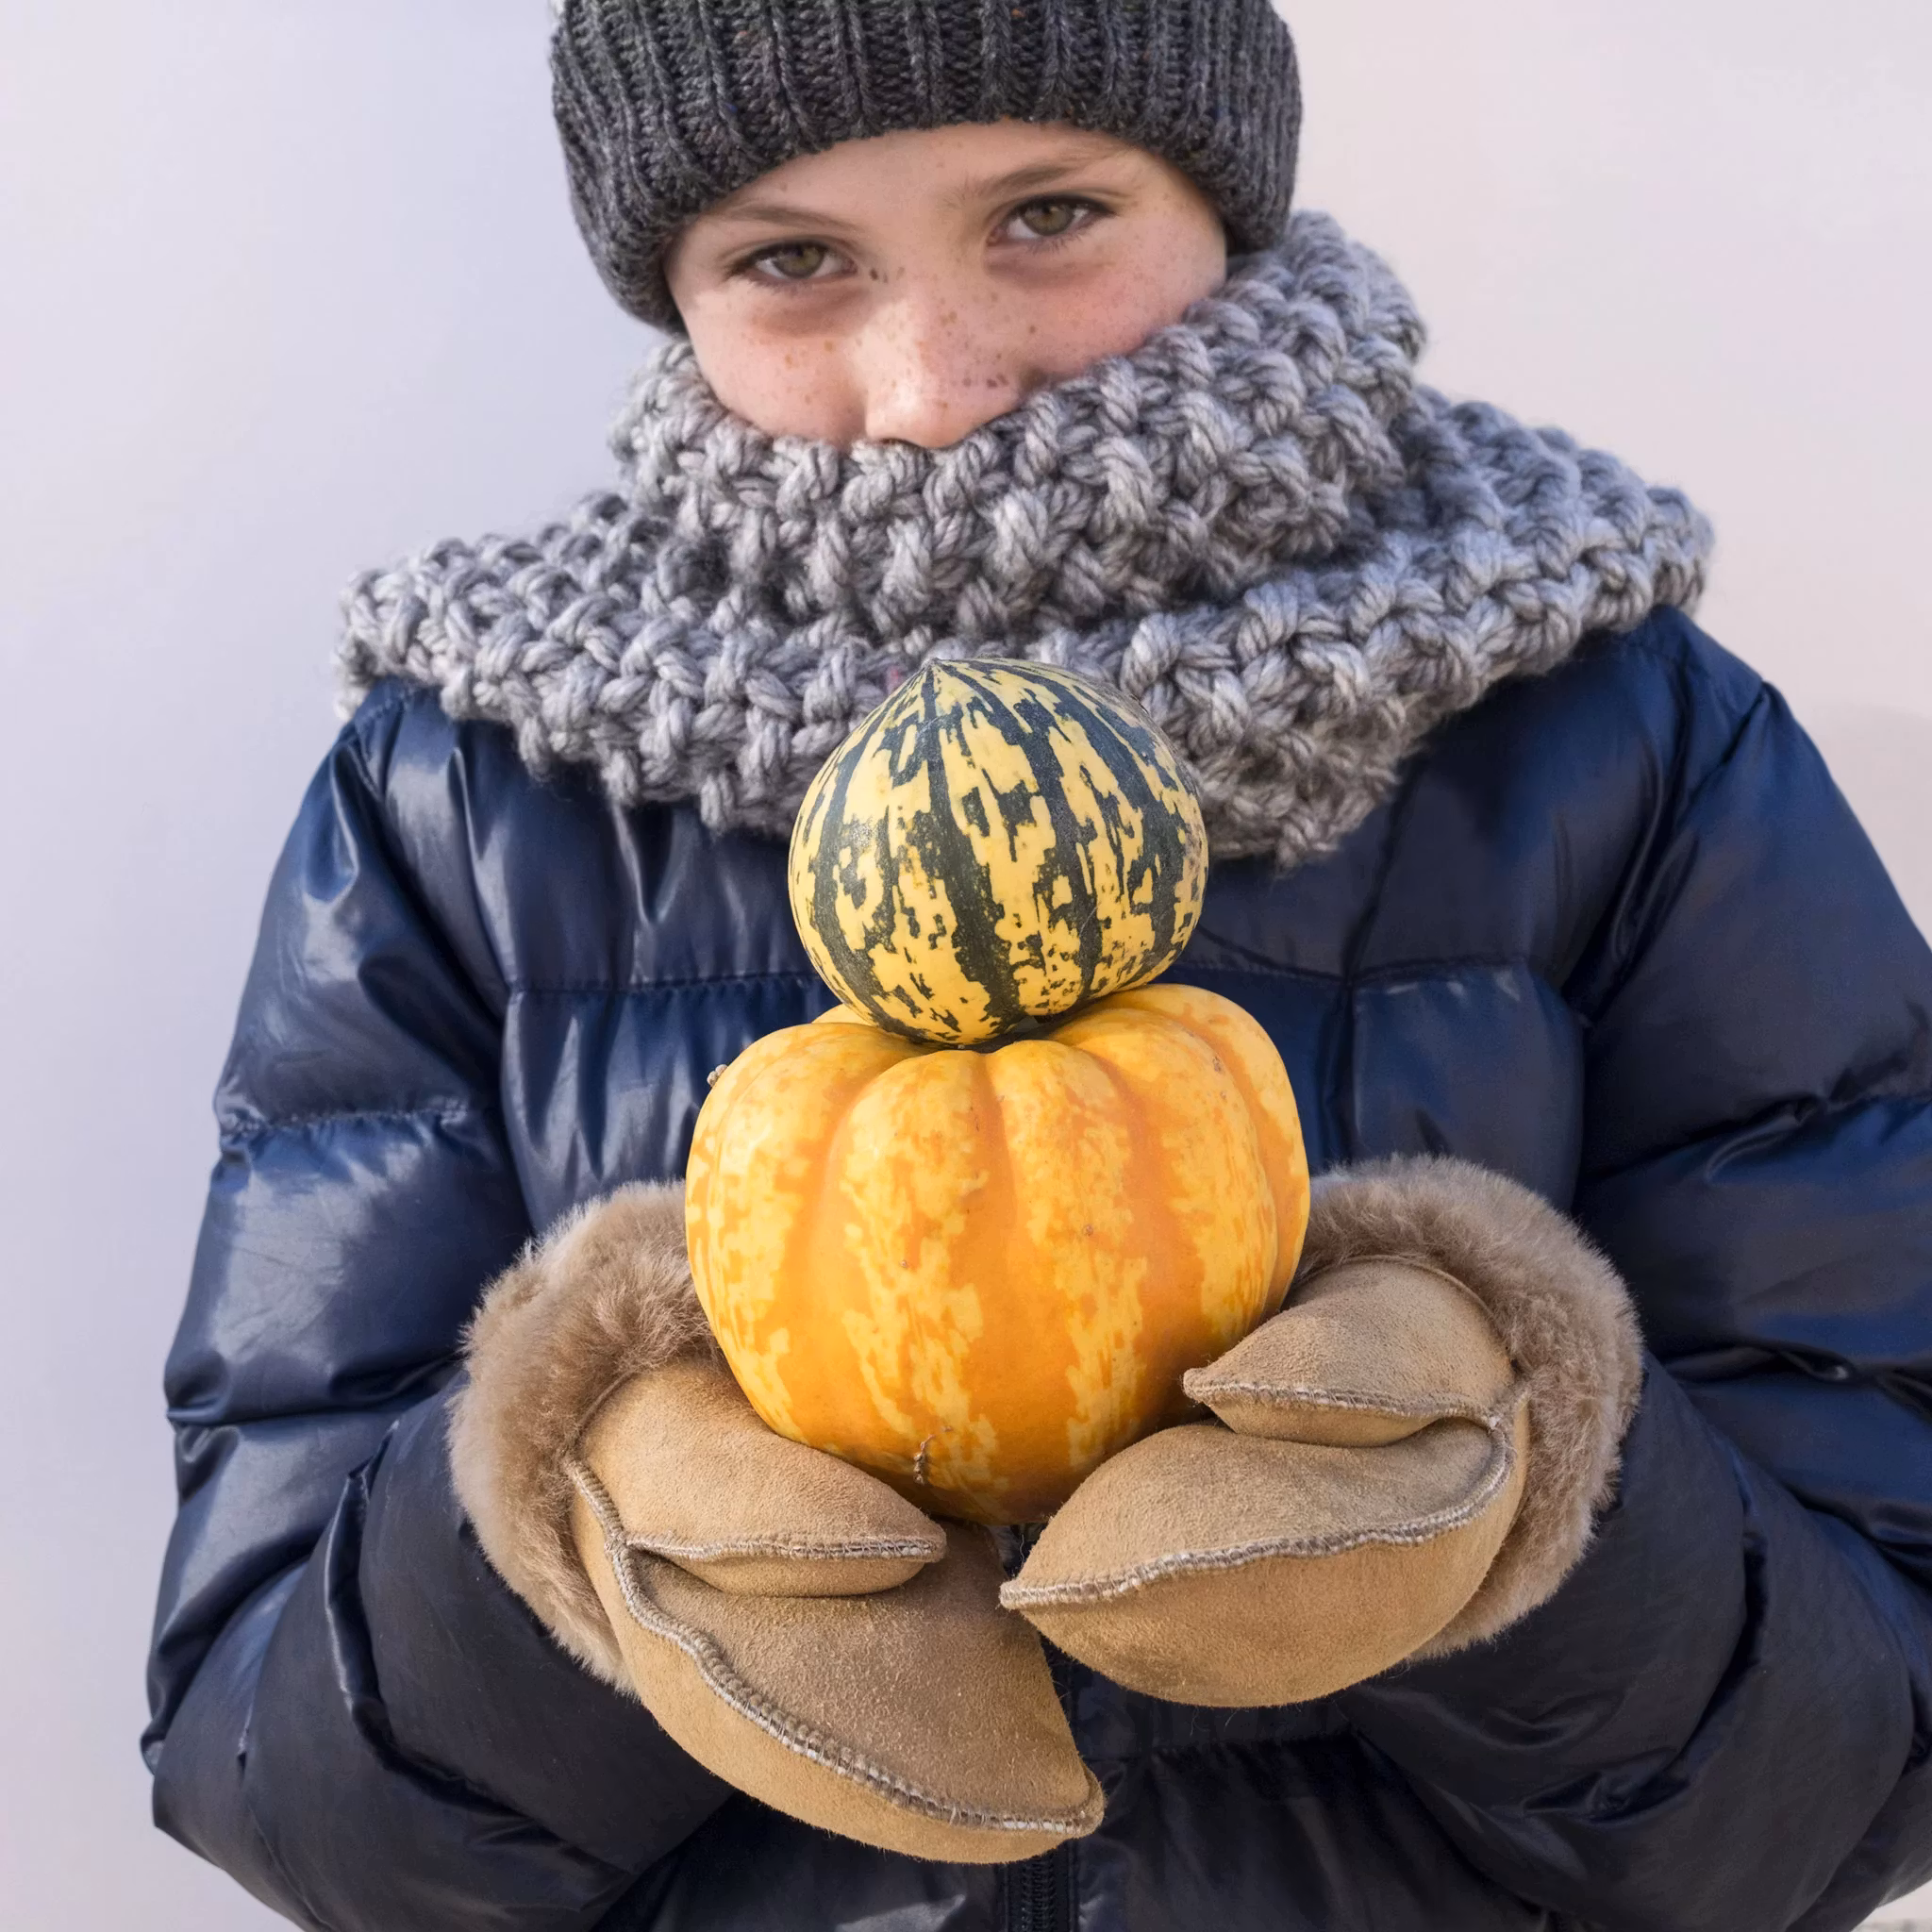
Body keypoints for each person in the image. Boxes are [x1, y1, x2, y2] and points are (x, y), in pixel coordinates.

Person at [144, 4, 1932, 1928]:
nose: (932, 386)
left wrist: (1519, 1481)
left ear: (1219, 193)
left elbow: (1850, 1775)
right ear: (672, 286)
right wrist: (566, 1502)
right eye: (791, 259)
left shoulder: (1616, 740)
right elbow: (295, 1797)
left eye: (1046, 214)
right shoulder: (464, 793)